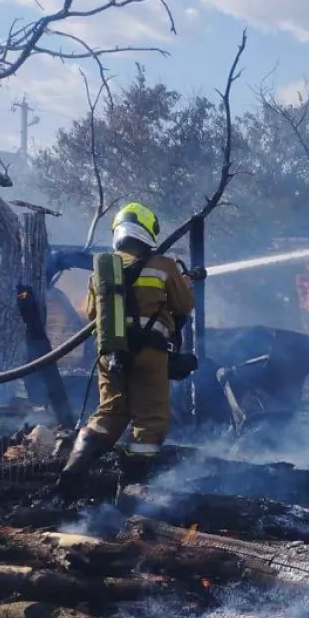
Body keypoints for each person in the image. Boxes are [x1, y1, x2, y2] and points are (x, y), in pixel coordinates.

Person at [57, 202, 196, 498]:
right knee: (150, 418)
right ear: (147, 231)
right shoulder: (164, 266)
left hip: (110, 352)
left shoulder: (102, 270)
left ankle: (73, 471)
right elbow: (183, 305)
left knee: (110, 412)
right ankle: (130, 485)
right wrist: (185, 284)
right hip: (150, 354)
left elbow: (91, 313)